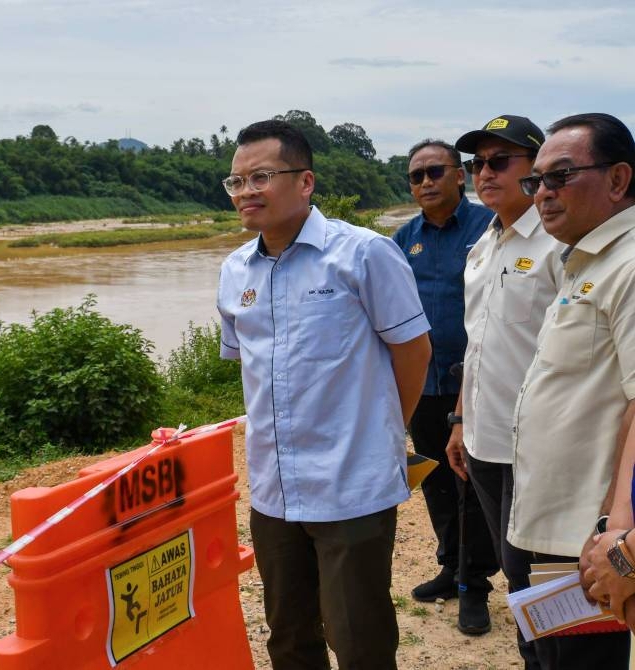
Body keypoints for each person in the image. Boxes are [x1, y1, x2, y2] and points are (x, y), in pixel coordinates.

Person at [217, 119, 432, 669]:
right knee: (288, 635)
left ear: (305, 181)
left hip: (351, 486)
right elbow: (252, 371)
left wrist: (382, 438)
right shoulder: (234, 270)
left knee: (359, 638)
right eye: (236, 182)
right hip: (273, 489)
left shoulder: (363, 255)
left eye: (261, 176)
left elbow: (413, 353)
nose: (247, 192)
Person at [508, 113, 635, 667]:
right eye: (535, 181)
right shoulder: (586, 260)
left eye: (561, 176)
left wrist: (618, 536)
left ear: (617, 179)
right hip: (549, 522)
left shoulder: (629, 265)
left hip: (586, 543)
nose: (543, 194)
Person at [444, 115, 561, 666]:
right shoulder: (482, 248)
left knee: (552, 580)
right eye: (475, 164)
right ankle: (531, 657)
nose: (482, 173)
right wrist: (461, 420)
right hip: (487, 445)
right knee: (517, 574)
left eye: (498, 161)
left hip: (542, 449)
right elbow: (479, 345)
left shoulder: (558, 245)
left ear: (535, 170)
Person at [392, 139, 498, 634]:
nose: (426, 182)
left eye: (436, 172)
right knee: (433, 476)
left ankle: (474, 585)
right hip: (422, 382)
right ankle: (451, 566)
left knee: (473, 481)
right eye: (416, 176)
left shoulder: (490, 229)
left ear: (461, 176)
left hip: (477, 382)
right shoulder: (402, 240)